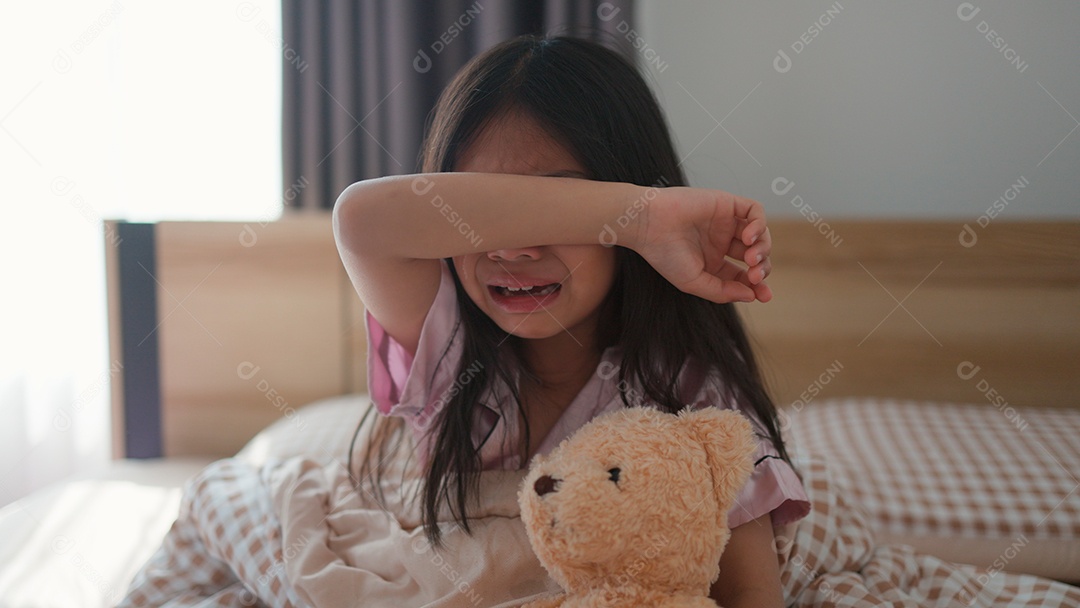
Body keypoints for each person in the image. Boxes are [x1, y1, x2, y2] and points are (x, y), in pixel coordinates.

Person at [334, 35, 809, 607]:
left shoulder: (690, 397)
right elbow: (361, 219)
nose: (512, 250)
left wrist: (634, 217)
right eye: (486, 213)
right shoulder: (446, 350)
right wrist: (638, 218)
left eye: (553, 203)